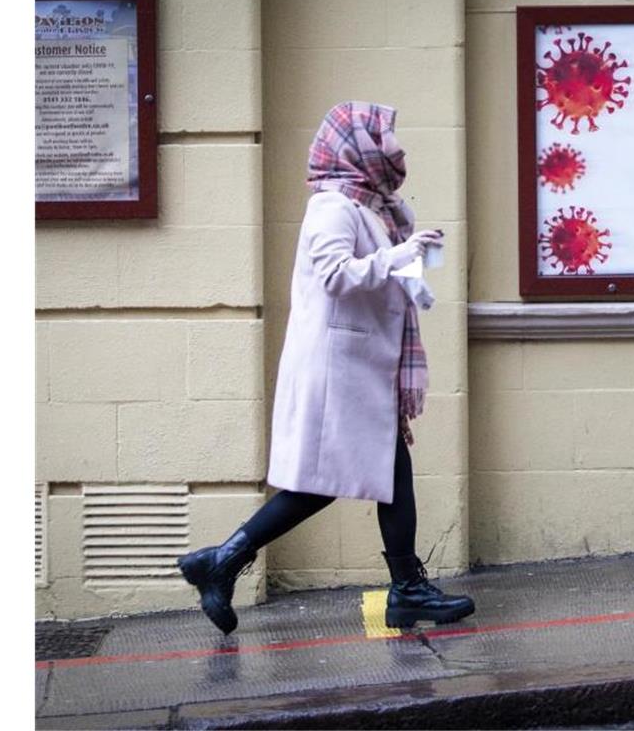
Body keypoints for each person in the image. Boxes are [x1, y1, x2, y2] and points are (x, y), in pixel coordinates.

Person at [177, 101, 475, 635]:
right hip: (341, 369)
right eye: (384, 138)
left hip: (361, 366)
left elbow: (380, 277)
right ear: (356, 149)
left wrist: (414, 260)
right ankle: (222, 562)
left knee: (384, 474)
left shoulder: (373, 207)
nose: (396, 148)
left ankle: (402, 588)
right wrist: (403, 253)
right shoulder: (332, 206)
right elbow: (337, 275)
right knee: (325, 484)